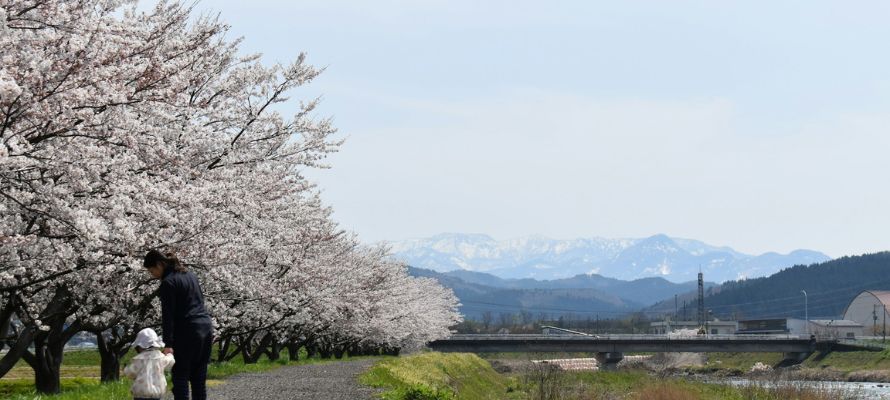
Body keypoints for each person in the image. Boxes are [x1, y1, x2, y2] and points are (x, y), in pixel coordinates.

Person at [144, 250, 213, 400]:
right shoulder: (191, 275)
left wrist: (168, 344)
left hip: (186, 331)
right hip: (205, 328)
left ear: (159, 264)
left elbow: (168, 316)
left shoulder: (168, 282)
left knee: (180, 377)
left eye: (151, 270)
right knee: (199, 379)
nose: (152, 275)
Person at [123, 328, 175, 400]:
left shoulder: (139, 359)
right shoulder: (160, 357)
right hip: (157, 393)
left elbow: (130, 372)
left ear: (140, 346)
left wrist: (126, 369)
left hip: (140, 394)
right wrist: (170, 355)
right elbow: (170, 361)